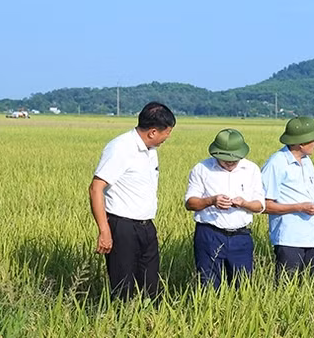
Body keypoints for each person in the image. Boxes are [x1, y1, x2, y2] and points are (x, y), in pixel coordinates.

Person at [89, 102, 176, 299]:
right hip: (122, 227)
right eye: (167, 132)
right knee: (123, 286)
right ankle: (120, 323)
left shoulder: (150, 150)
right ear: (153, 132)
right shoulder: (120, 148)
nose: (168, 137)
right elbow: (96, 188)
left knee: (151, 286)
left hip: (146, 227)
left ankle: (149, 324)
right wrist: (105, 231)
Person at [184, 129, 265, 289]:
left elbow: (260, 206)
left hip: (241, 236)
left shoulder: (251, 169)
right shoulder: (202, 169)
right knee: (207, 285)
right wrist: (212, 201)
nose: (230, 162)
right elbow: (190, 203)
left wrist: (243, 203)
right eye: (225, 159)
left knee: (243, 286)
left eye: (234, 159)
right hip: (209, 235)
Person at [261, 116, 314, 280]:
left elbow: (302, 193)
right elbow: (263, 204)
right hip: (289, 238)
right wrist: (300, 207)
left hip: (311, 237)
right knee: (287, 287)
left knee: (310, 286)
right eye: (313, 139)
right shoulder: (277, 163)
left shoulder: (307, 162)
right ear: (301, 142)